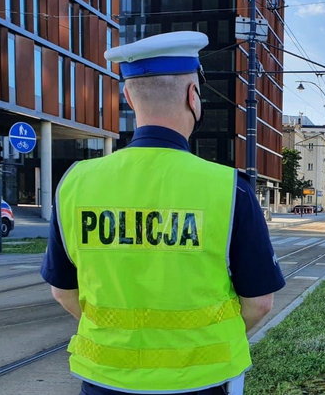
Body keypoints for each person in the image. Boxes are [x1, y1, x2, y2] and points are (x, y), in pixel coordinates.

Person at [40, 31, 285, 395]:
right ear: (193, 96)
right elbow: (260, 304)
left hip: (105, 381)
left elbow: (63, 292)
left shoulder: (76, 182)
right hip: (202, 382)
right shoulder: (229, 188)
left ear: (128, 96)